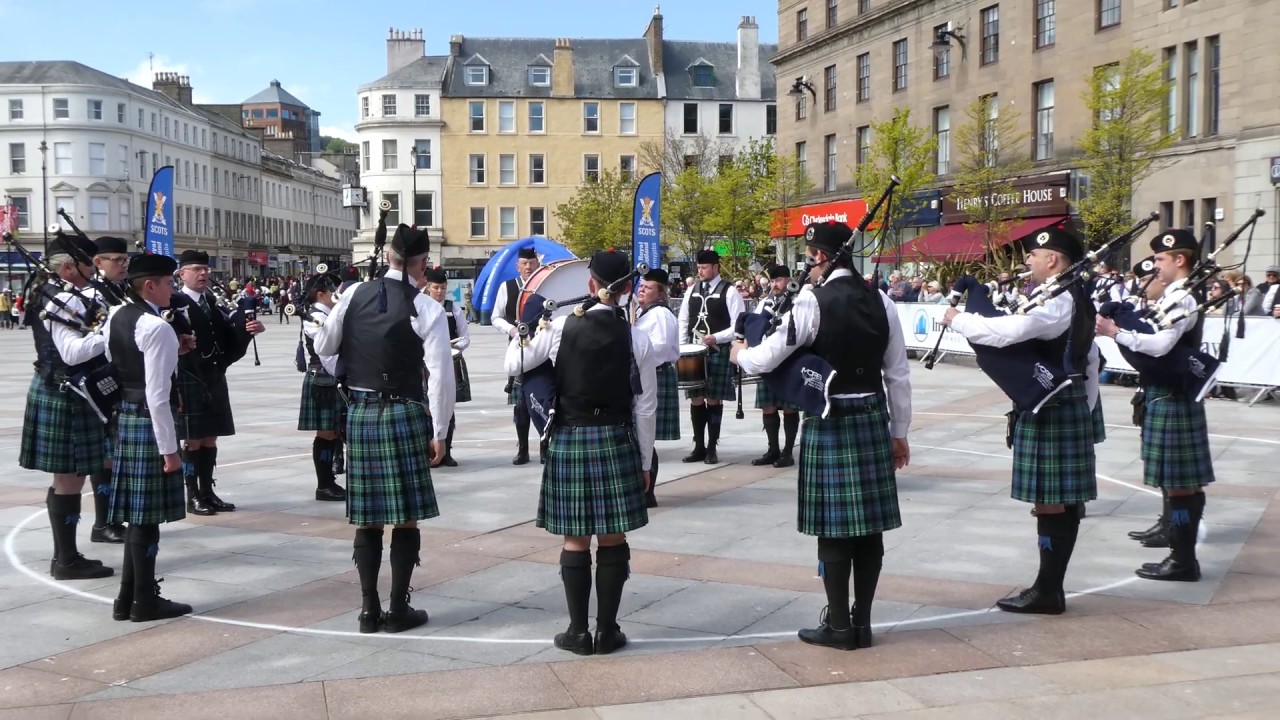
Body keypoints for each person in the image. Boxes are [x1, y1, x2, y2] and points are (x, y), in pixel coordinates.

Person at [732, 221, 912, 650]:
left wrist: (741, 354)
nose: (807, 267)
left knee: (833, 529)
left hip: (830, 419)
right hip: (870, 414)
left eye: (809, 258)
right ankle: (862, 623)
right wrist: (899, 431)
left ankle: (838, 626)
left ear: (820, 257)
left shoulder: (812, 302)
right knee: (869, 529)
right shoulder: (881, 299)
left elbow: (767, 357)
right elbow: (898, 373)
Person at [504, 249, 656, 656]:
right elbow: (645, 408)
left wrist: (526, 332)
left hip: (571, 437)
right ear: (627, 290)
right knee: (612, 537)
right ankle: (607, 631)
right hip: (616, 439)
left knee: (575, 539)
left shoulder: (557, 328)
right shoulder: (638, 338)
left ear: (591, 284)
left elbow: (513, 365)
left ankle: (577, 632)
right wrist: (644, 462)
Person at [943, 226, 1097, 615]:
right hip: (1064, 401)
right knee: (1053, 501)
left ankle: (1049, 590)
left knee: (1052, 502)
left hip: (1054, 406)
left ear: (1054, 260)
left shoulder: (1062, 299)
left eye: (1033, 254)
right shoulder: (1068, 295)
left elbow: (1014, 331)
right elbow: (1092, 358)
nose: (1027, 260)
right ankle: (1048, 587)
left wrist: (959, 320)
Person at [314, 224, 453, 634]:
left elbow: (324, 347)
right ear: (421, 264)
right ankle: (398, 608)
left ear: (389, 257)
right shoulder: (425, 307)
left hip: (360, 413)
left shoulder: (354, 294)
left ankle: (367, 609)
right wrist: (440, 430)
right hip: (404, 412)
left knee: (368, 517)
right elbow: (441, 376)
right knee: (406, 516)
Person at [1096, 229, 1214, 582]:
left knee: (1180, 483)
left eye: (1161, 259)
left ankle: (1182, 560)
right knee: (1179, 480)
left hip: (1174, 394)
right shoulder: (1178, 295)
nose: (1156, 266)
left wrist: (1116, 333)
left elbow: (1160, 345)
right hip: (1168, 392)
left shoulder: (1184, 297)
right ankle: (1179, 551)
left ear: (1180, 260)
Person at [19, 233, 115, 580]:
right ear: (69, 267)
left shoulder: (64, 294)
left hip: (68, 390)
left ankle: (66, 555)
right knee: (70, 478)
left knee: (68, 477)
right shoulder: (58, 298)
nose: (94, 270)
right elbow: (72, 353)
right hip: (65, 391)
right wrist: (111, 330)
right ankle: (66, 559)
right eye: (89, 264)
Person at [103, 253, 193, 621]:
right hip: (148, 421)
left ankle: (128, 598)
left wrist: (175, 351)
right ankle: (144, 600)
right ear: (150, 285)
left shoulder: (117, 315)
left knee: (137, 516)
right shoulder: (157, 328)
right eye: (168, 282)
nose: (173, 288)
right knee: (146, 518)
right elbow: (158, 395)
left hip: (126, 414)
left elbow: (116, 357)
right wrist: (169, 450)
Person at [174, 251, 265, 516]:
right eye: (196, 269)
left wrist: (248, 331)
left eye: (205, 269)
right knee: (192, 440)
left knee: (210, 438)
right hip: (189, 376)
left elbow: (227, 335)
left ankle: (207, 491)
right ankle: (192, 495)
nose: (203, 274)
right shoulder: (175, 303)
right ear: (182, 274)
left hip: (213, 376)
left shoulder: (210, 301)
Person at [677, 249, 745, 464]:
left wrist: (716, 337)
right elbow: (683, 320)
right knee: (696, 399)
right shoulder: (692, 290)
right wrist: (682, 347)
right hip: (694, 352)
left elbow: (739, 324)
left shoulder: (730, 291)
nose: (700, 271)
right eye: (698, 267)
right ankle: (698, 446)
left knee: (713, 399)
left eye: (704, 267)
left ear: (716, 267)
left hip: (717, 351)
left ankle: (712, 448)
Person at [88, 236, 132, 545]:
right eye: (116, 259)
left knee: (116, 455)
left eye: (124, 260)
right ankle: (105, 523)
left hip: (120, 377)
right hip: (99, 379)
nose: (122, 264)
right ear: (97, 262)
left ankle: (113, 519)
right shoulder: (93, 295)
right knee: (107, 457)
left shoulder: (121, 292)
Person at [298, 270, 347, 502]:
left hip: (329, 378)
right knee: (326, 433)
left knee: (332, 433)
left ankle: (329, 482)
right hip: (324, 379)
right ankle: (324, 484)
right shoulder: (316, 317)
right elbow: (325, 353)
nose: (335, 295)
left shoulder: (327, 314)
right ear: (320, 294)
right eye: (332, 292)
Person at [634, 267, 679, 508]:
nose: (642, 289)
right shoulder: (647, 314)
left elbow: (660, 348)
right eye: (641, 285)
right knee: (643, 437)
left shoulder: (660, 314)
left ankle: (648, 493)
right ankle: (645, 491)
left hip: (656, 374)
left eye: (648, 287)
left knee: (645, 437)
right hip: (649, 373)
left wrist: (637, 359)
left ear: (660, 293)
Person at [749, 265, 802, 469]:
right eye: (772, 281)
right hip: (769, 359)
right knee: (768, 406)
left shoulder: (797, 301)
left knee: (789, 407)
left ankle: (787, 452)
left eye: (778, 280)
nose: (774, 285)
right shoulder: (765, 302)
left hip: (790, 359)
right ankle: (773, 450)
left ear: (788, 280)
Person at [492, 247, 541, 465]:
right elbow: (496, 317)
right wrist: (511, 331)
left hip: (544, 350)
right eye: (524, 263)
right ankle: (523, 448)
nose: (528, 267)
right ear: (517, 266)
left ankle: (545, 444)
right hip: (519, 350)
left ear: (538, 263)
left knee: (546, 400)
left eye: (531, 263)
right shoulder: (508, 286)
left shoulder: (546, 284)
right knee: (521, 405)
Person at [424, 266, 470, 467]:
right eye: (436, 288)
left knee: (448, 406)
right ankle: (429, 451)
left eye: (443, 288)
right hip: (425, 364)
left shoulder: (454, 308)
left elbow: (465, 338)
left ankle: (447, 451)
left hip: (450, 362)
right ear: (428, 287)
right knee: (426, 408)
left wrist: (455, 345)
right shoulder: (421, 306)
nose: (440, 292)